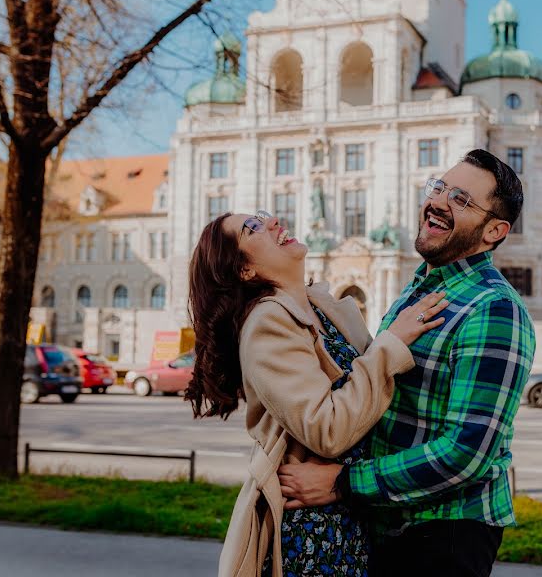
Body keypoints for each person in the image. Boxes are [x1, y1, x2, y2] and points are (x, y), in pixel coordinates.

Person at [278, 149, 537, 577]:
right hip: (396, 525)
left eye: (462, 199)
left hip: (444, 535)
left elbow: (467, 451)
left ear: (494, 231)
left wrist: (342, 483)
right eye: (439, 187)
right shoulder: (420, 288)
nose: (439, 201)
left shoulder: (492, 308)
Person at [185, 210, 449, 577]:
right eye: (254, 227)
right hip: (316, 532)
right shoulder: (267, 322)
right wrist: (392, 344)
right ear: (244, 270)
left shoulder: (319, 308)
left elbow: (371, 394)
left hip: (350, 513)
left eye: (264, 216)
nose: (273, 221)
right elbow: (326, 428)